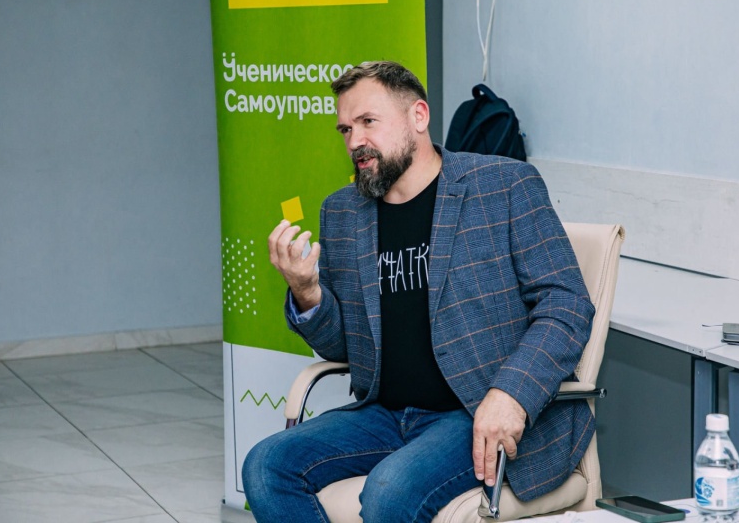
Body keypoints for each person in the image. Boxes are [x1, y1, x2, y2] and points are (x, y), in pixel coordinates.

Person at [242, 61, 595, 523]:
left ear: (419, 116)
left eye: (368, 121)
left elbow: (566, 305)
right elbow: (342, 346)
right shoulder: (342, 212)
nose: (355, 141)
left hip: (474, 411)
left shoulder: (504, 186)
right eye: (346, 129)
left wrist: (510, 395)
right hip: (384, 415)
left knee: (389, 490)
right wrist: (307, 292)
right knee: (266, 466)